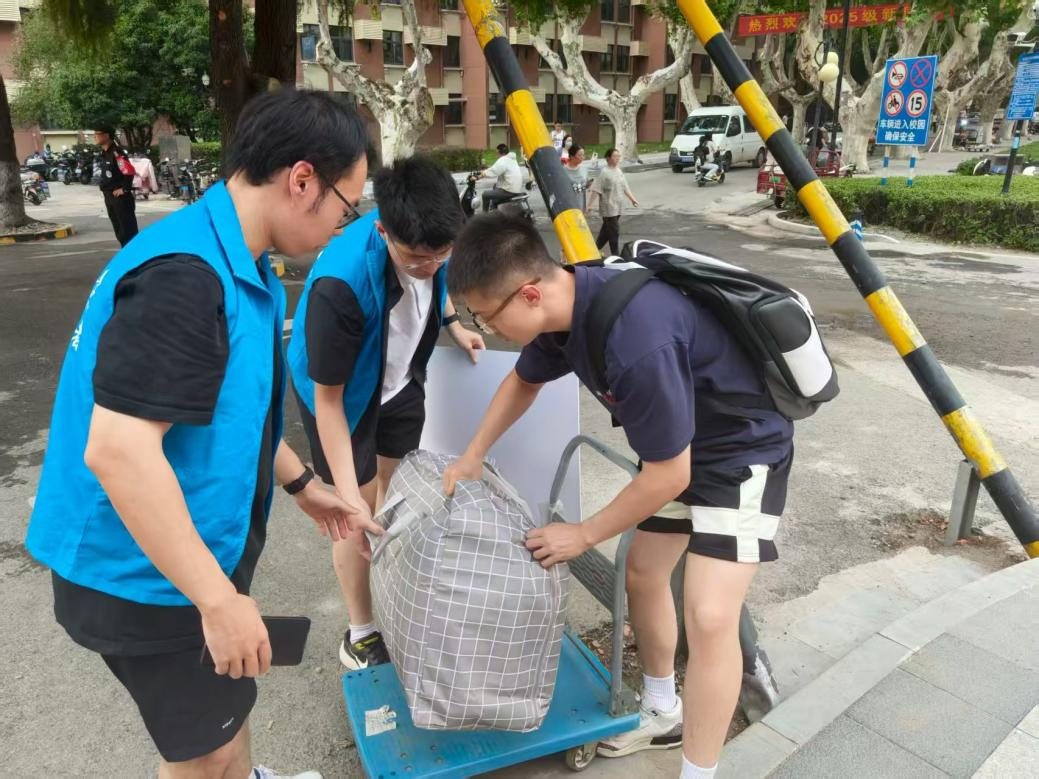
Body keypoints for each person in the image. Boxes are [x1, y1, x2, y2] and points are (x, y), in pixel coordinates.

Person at [25, 89, 382, 779]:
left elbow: (226, 410)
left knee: (223, 718)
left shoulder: (236, 258)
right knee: (204, 756)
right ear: (301, 180)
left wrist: (301, 484)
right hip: (144, 574)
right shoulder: (186, 279)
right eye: (346, 207)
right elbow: (119, 451)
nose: (344, 226)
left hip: (181, 559)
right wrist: (216, 602)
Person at [442, 215, 794, 779]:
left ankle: (699, 773)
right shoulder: (567, 308)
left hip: (739, 454)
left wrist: (583, 534)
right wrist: (472, 455)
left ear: (528, 293)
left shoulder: (638, 340)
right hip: (677, 447)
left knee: (709, 616)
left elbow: (668, 475)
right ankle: (662, 708)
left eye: (486, 315)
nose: (487, 327)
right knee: (644, 574)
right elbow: (523, 382)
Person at [287, 155, 485, 670]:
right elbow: (329, 402)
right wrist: (349, 498)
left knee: (394, 494)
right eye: (417, 259)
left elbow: (435, 277)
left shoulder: (431, 241)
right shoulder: (340, 285)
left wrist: (453, 323)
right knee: (353, 513)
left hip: (399, 378)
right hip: (342, 391)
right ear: (382, 230)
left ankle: (395, 589)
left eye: (442, 254)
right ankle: (360, 631)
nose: (431, 266)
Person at [586, 147, 639, 255]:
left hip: (618, 206)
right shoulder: (604, 172)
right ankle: (615, 255)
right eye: (615, 156)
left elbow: (625, 187)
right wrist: (590, 205)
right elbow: (596, 189)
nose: (617, 158)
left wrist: (632, 199)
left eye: (618, 156)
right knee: (614, 231)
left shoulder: (618, 170)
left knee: (606, 231)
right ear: (608, 158)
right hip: (608, 207)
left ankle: (594, 251)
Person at [94, 126, 140, 247]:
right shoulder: (104, 153)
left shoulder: (116, 153)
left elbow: (129, 171)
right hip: (109, 196)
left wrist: (124, 188)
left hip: (119, 198)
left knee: (127, 231)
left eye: (97, 133)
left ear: (106, 135)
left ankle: (133, 254)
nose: (95, 137)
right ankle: (126, 253)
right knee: (119, 230)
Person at [479, 143, 525, 212]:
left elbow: (494, 171)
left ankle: (484, 215)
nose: (496, 155)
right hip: (516, 189)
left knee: (485, 195)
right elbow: (496, 169)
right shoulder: (512, 159)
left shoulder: (503, 159)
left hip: (509, 191)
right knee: (495, 186)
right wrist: (485, 172)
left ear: (502, 153)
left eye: (497, 153)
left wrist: (482, 174)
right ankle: (495, 209)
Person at [563, 142, 588, 209]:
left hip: (581, 205)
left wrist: (587, 185)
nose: (583, 157)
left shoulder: (584, 169)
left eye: (583, 155)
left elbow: (582, 188)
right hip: (568, 207)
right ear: (571, 156)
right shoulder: (563, 171)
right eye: (580, 155)